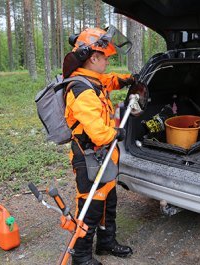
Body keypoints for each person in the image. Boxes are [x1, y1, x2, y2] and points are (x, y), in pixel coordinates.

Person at [63, 27, 135, 265]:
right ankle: (81, 256)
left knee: (108, 200)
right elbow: (98, 133)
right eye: (105, 57)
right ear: (93, 58)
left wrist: (128, 80)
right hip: (89, 155)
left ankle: (106, 243)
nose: (107, 61)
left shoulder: (92, 79)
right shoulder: (81, 89)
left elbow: (109, 81)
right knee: (90, 206)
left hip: (105, 156)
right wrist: (118, 132)